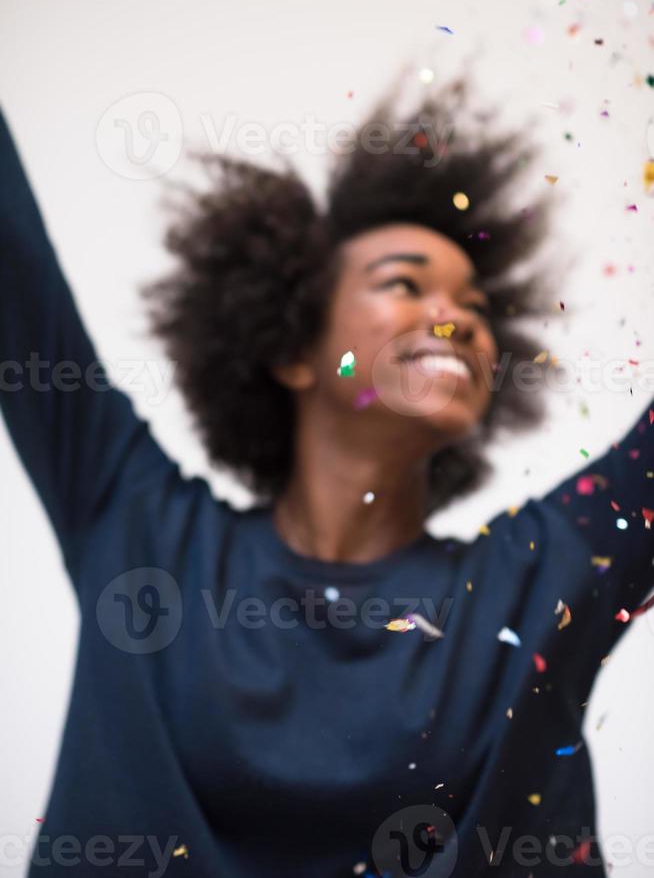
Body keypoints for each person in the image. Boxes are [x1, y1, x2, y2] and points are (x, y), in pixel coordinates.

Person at [1, 74, 652, 878]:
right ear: (293, 349)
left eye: (477, 306)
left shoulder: (536, 579)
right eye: (404, 285)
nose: (460, 321)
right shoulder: (137, 526)